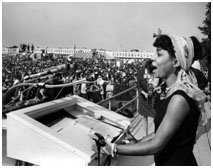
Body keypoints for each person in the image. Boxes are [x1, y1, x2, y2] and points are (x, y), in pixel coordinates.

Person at [99, 34, 208, 166]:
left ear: (175, 62)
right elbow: (159, 132)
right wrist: (138, 142)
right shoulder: (172, 92)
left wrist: (113, 148)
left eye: (159, 54)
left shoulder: (179, 99)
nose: (153, 59)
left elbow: (156, 145)